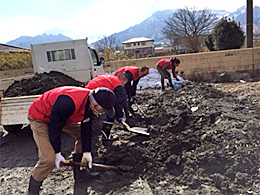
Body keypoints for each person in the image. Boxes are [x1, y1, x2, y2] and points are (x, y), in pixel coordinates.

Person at [27, 86, 116, 194]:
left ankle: (80, 174)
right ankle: (33, 191)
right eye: (102, 110)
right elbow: (55, 128)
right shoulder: (68, 102)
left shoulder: (89, 103)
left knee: (82, 137)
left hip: (61, 116)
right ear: (95, 105)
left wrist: (86, 152)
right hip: (40, 116)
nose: (101, 113)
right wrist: (57, 152)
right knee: (48, 159)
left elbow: (86, 128)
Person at [85, 73, 128, 141]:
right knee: (111, 113)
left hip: (86, 93)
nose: (123, 86)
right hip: (94, 96)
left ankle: (89, 134)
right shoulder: (117, 84)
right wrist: (119, 115)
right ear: (122, 79)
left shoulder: (108, 77)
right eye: (124, 83)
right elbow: (118, 102)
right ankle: (106, 134)